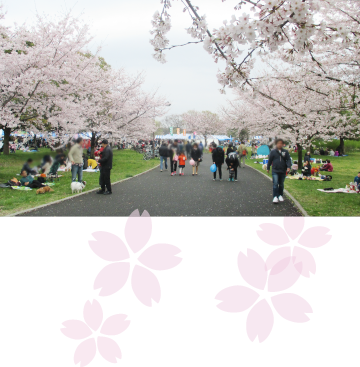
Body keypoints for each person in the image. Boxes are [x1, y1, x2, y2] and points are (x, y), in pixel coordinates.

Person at [267, 138, 291, 203]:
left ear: (283, 144)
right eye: (278, 143)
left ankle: (280, 195)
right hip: (275, 170)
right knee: (275, 183)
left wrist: (289, 166)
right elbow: (270, 160)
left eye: (281, 143)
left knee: (281, 184)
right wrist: (268, 167)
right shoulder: (273, 151)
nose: (280, 145)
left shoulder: (285, 152)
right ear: (276, 144)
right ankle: (275, 196)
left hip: (283, 170)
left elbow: (288, 159)